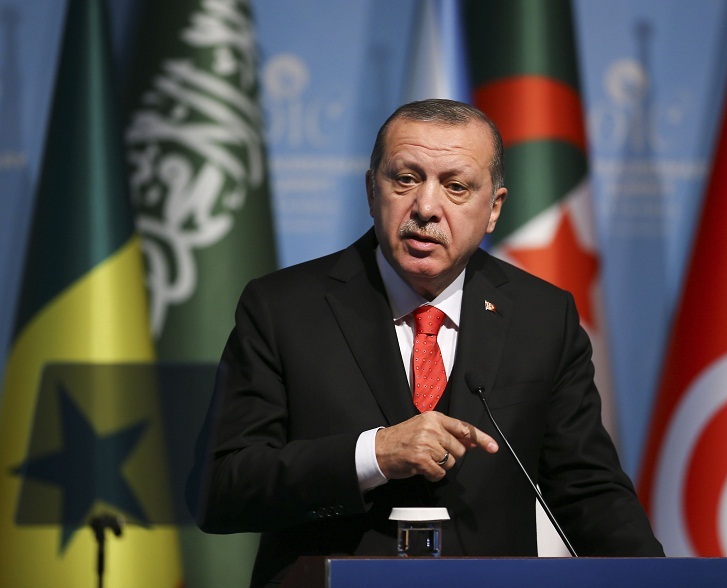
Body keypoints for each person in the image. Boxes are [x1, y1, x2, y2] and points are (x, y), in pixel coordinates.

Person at [189, 99, 663, 586]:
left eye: (456, 187)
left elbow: (588, 493)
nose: (426, 207)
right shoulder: (284, 308)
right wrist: (373, 454)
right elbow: (219, 488)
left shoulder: (542, 316)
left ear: (494, 208)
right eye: (406, 179)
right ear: (371, 190)